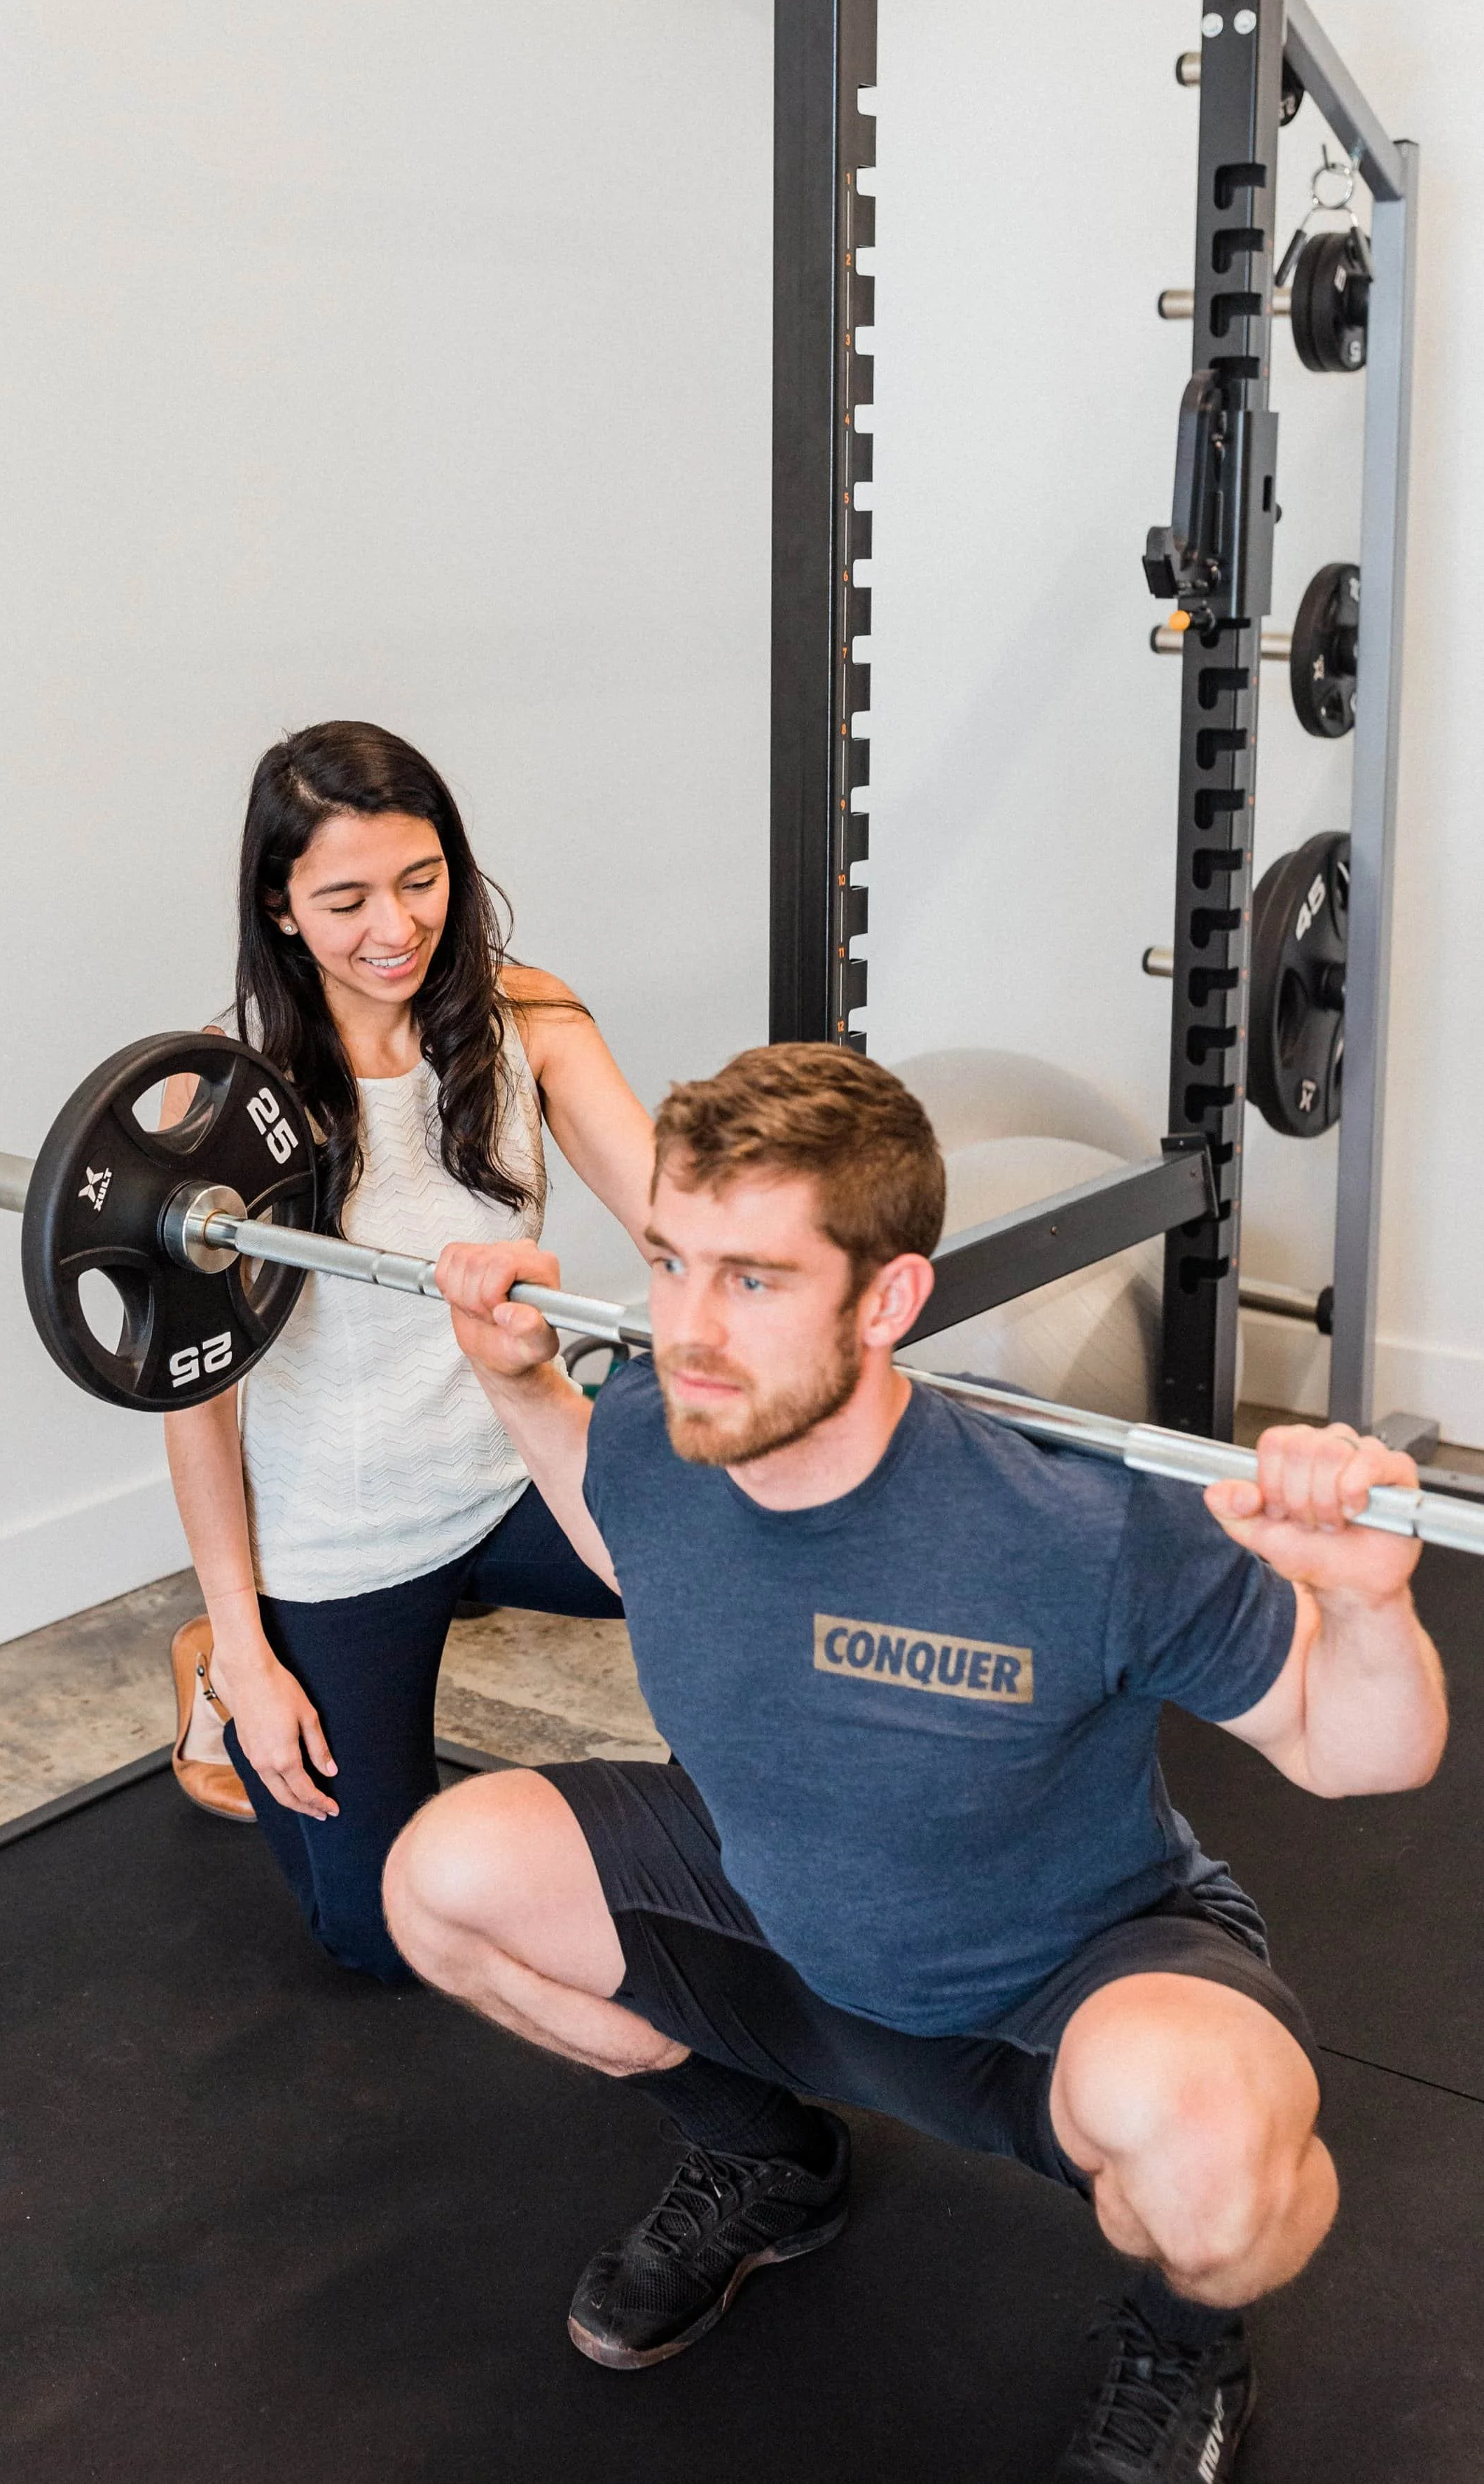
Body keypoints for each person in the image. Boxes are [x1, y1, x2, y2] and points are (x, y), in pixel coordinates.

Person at [382, 1042, 1447, 2481]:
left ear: (885, 1300)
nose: (689, 1327)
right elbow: (625, 1536)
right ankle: (765, 2155)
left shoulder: (1080, 1530)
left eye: (752, 1279)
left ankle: (1184, 2339)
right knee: (441, 1880)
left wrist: (1366, 1606)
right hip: (767, 1912)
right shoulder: (654, 1427)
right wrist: (519, 1393)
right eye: (668, 1262)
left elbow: (1355, 1757)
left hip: (1054, 1981)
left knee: (1211, 2172)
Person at [165, 719, 653, 1985]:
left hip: (516, 1480)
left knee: (749, 1564)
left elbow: (672, 1214)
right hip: (340, 1538)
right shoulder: (221, 1101)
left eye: (422, 878)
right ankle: (213, 1679)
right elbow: (196, 1407)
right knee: (380, 1938)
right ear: (279, 906)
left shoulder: (529, 1016)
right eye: (346, 897)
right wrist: (250, 1646)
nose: (398, 924)